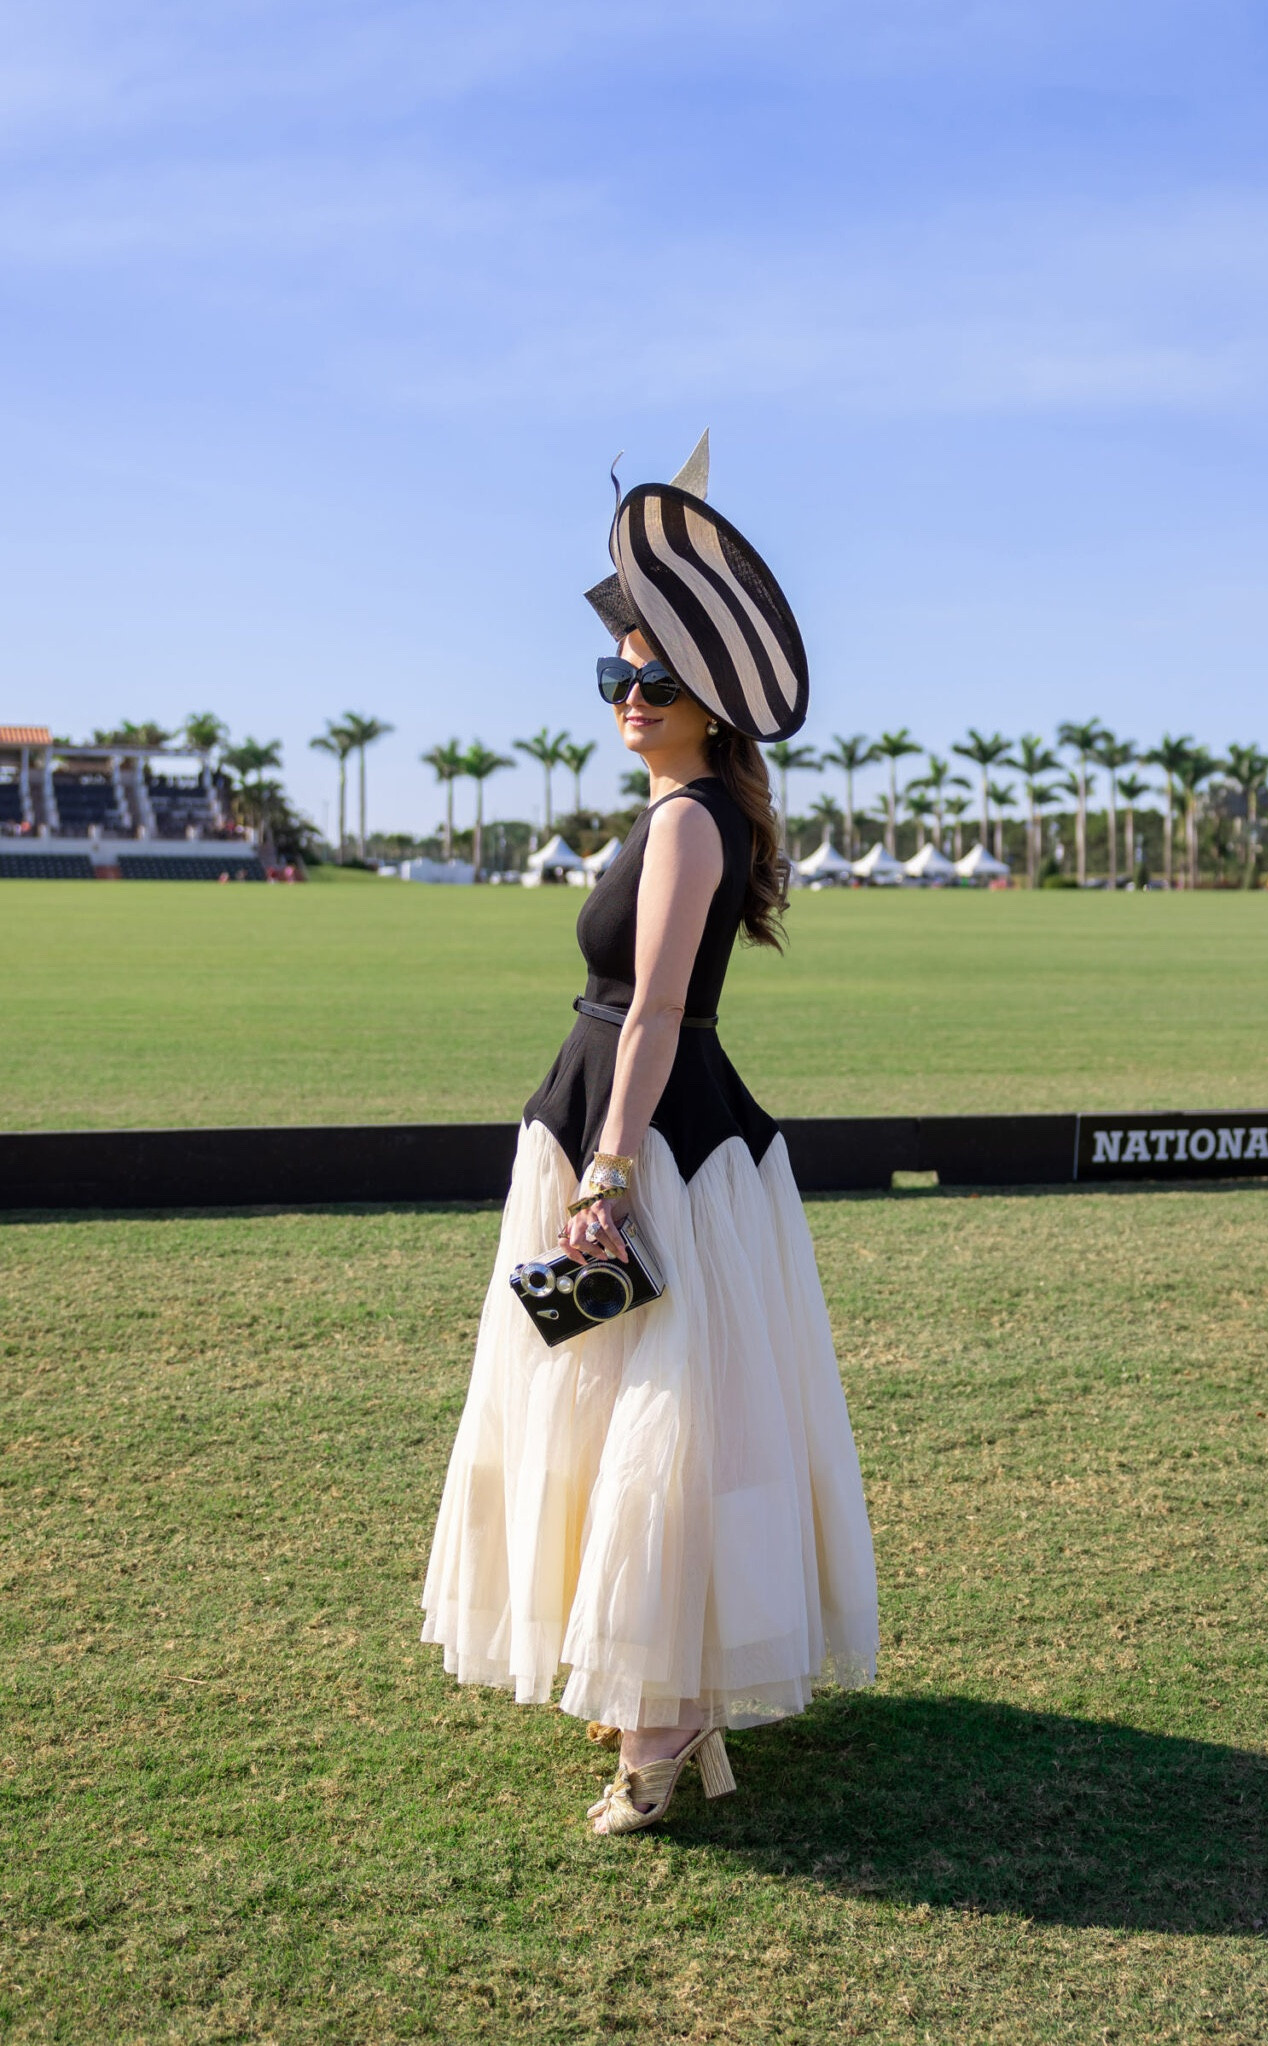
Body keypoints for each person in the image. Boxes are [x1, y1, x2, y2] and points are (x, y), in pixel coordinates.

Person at [421, 434, 878, 1835]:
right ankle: (656, 1697)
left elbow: (661, 1006)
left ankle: (668, 1725)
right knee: (618, 1404)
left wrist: (609, 1176)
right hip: (623, 1125)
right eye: (615, 672)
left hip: (652, 1140)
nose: (628, 695)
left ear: (712, 705)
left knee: (658, 1418)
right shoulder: (673, 809)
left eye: (654, 679)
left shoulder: (687, 824)